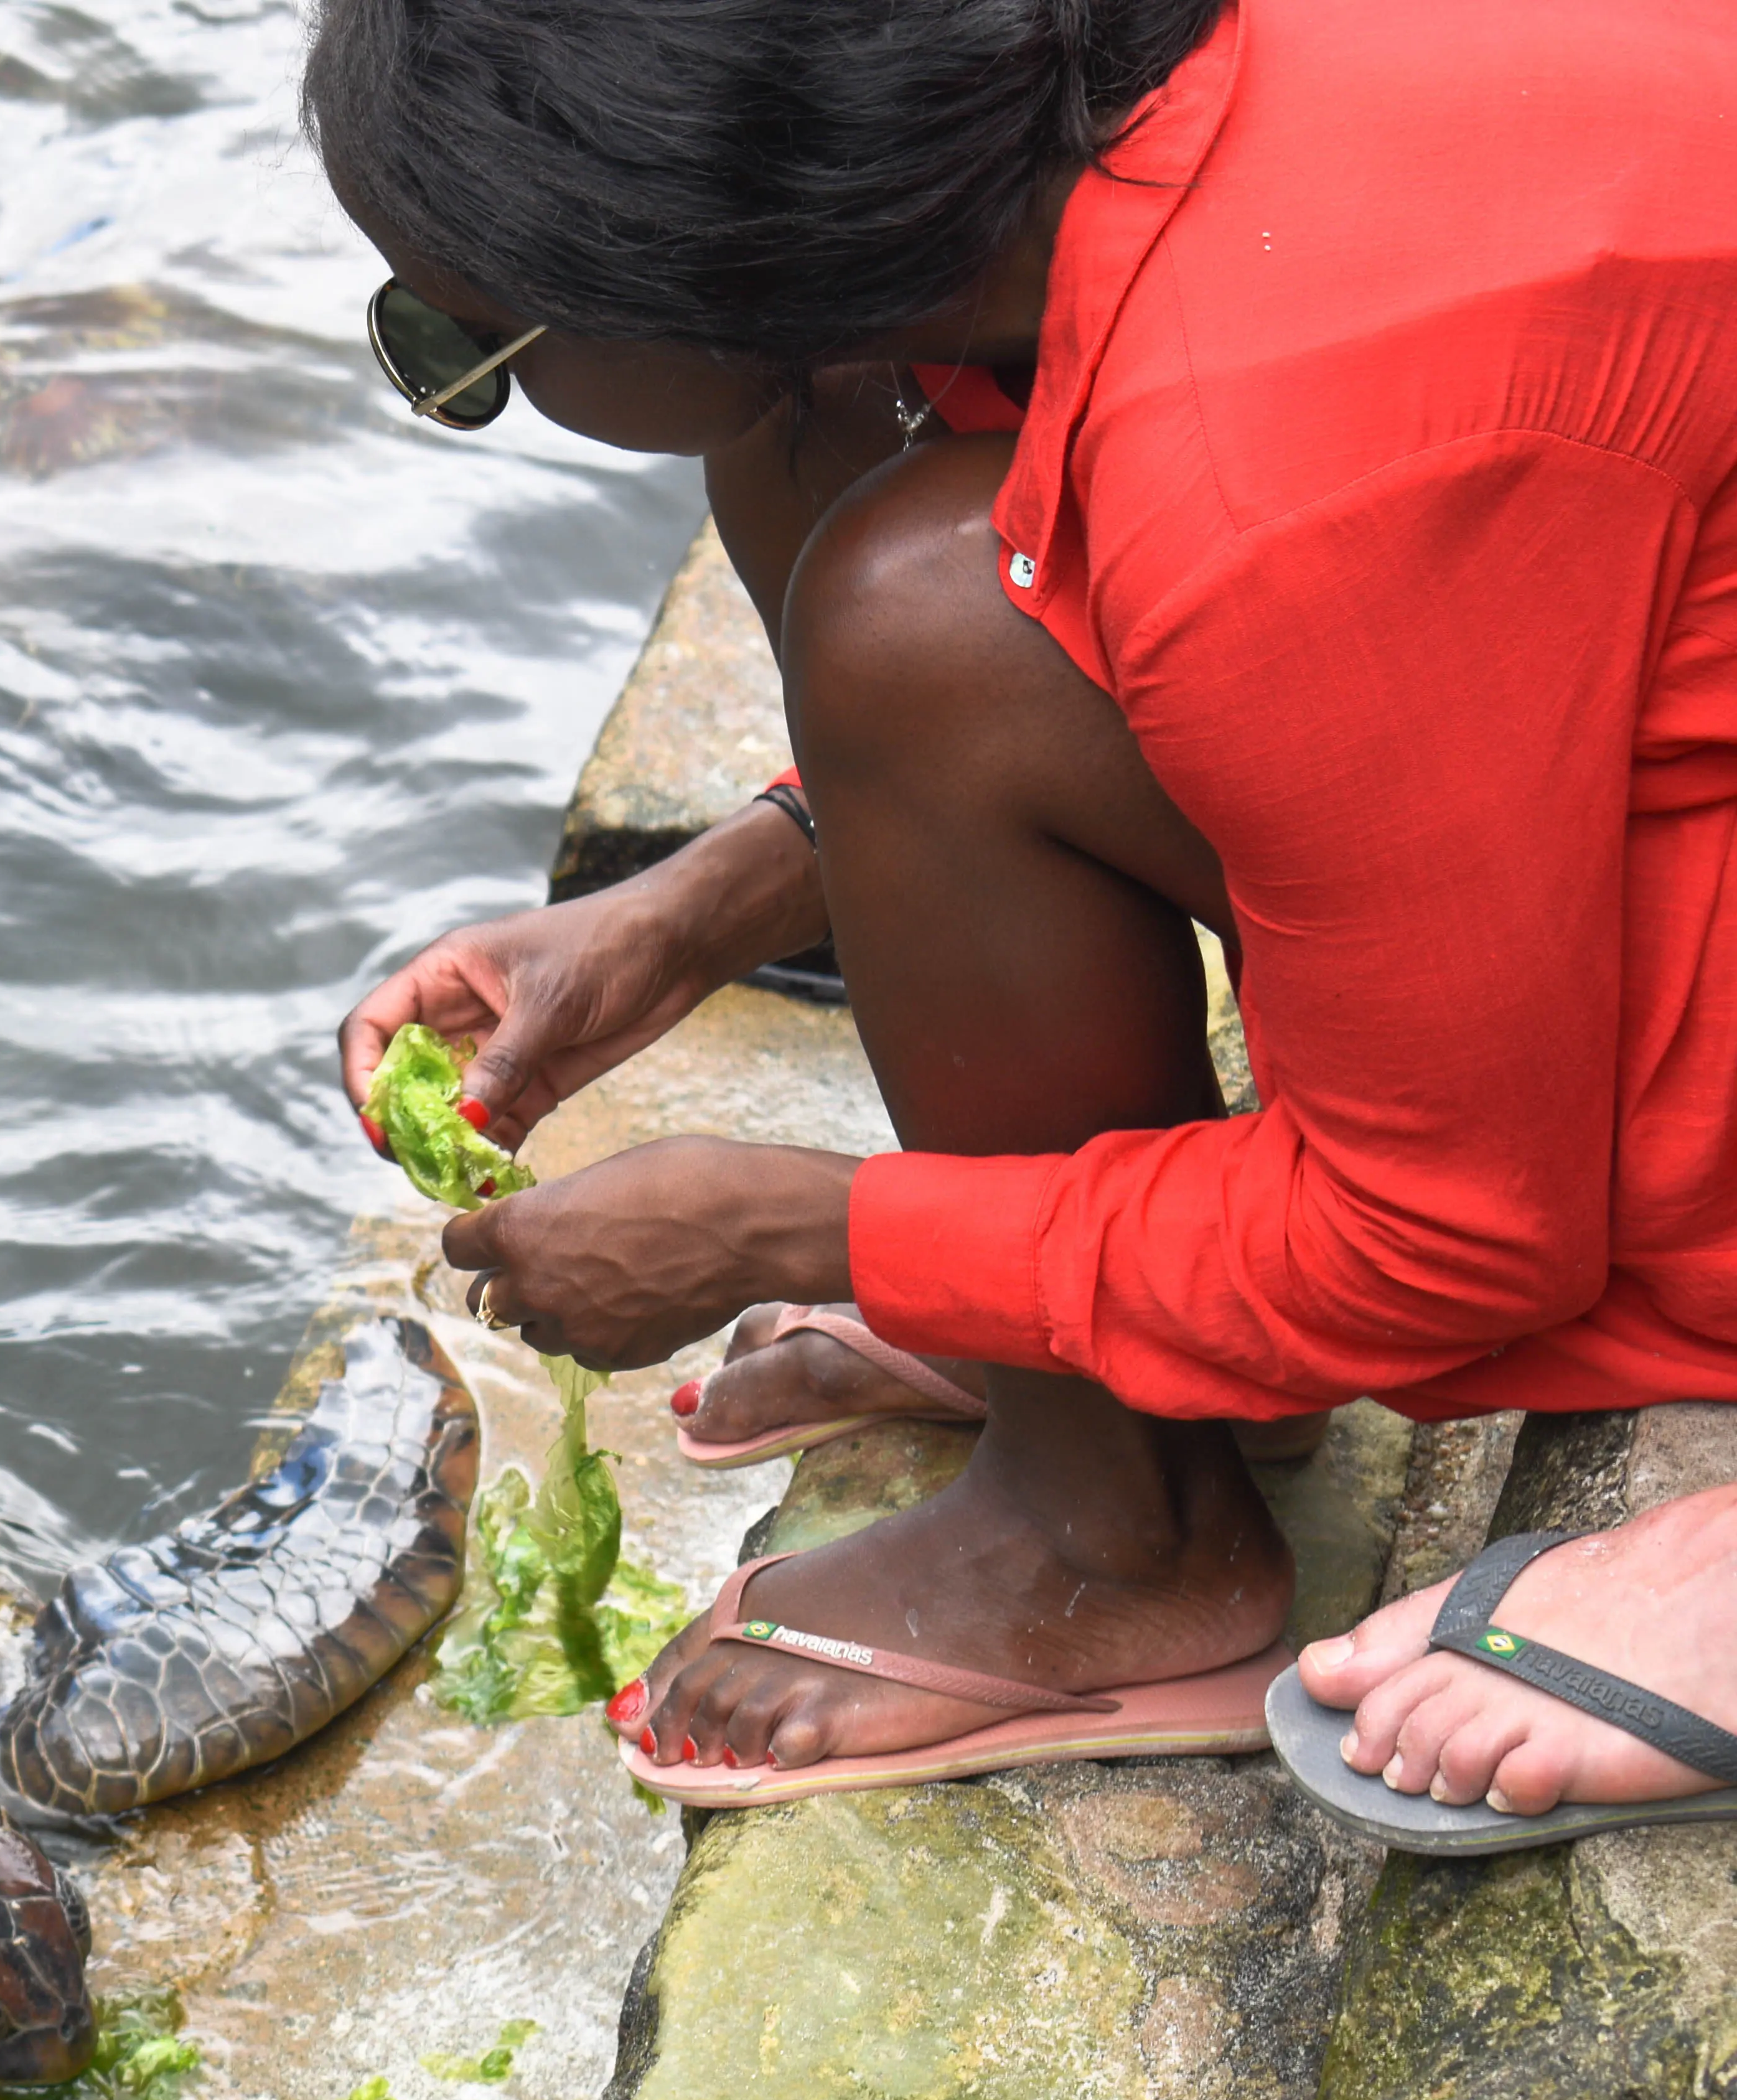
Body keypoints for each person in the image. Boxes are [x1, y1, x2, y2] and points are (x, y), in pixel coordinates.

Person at [305, 0, 1737, 1830]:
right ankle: (1113, 1380)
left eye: (465, 341)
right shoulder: (1150, 110)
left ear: (686, 275)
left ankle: (1114, 1542)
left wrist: (808, 1230)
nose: (456, 380)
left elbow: (1446, 1238)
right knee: (855, 463)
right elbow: (1396, 673)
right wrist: (690, 914)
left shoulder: (1270, 467)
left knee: (908, 588)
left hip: (1609, 1120)